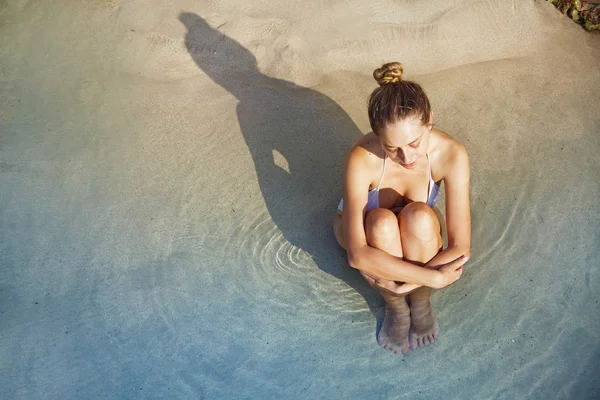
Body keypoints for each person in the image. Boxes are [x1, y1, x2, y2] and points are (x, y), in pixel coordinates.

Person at [333, 62, 471, 354]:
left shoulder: (451, 153)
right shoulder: (361, 158)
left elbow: (460, 246)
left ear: (429, 121)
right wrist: (431, 278)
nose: (407, 157)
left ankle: (420, 304)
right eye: (391, 147)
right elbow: (357, 254)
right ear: (376, 136)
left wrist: (409, 286)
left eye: (415, 142)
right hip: (363, 232)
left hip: (416, 231)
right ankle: (396, 307)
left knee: (420, 217)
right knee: (381, 223)